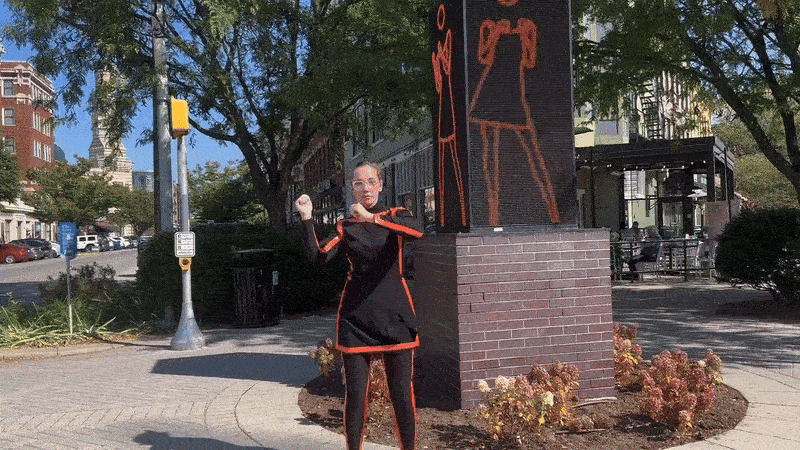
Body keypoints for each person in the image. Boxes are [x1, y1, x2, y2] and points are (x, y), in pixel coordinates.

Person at [295, 161, 423, 450]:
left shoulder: (397, 216)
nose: (365, 188)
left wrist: (372, 218)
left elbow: (418, 232)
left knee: (402, 396)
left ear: (380, 185)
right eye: (358, 183)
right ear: (352, 189)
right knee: (355, 397)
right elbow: (318, 257)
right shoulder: (346, 227)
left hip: (396, 317)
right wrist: (306, 218)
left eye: (370, 181)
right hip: (356, 320)